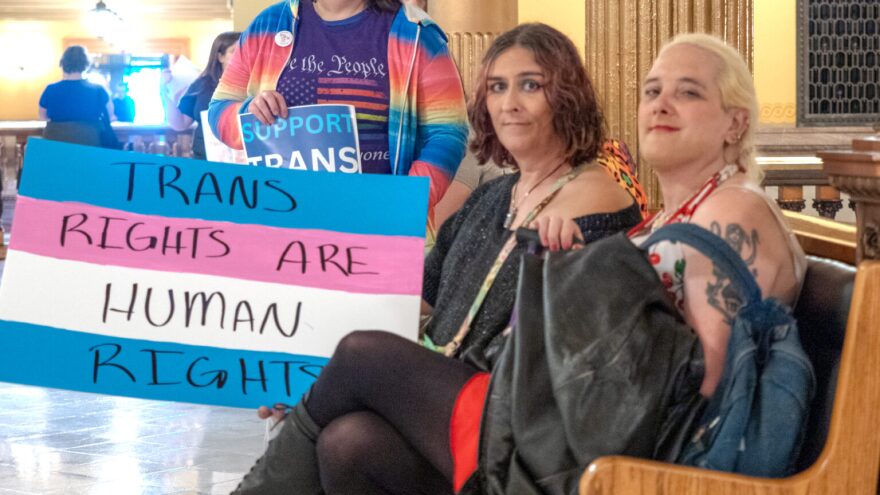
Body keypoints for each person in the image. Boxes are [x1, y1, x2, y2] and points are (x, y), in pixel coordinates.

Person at [231, 23, 646, 495]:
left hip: (529, 422)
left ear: (567, 95)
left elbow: (580, 353)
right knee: (346, 442)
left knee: (361, 352)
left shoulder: (593, 196)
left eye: (531, 85)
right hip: (455, 405)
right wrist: (305, 379)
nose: (509, 103)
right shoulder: (494, 198)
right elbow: (413, 298)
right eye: (497, 87)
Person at [628, 33, 805, 398]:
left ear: (736, 124)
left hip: (672, 447)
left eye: (688, 92)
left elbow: (708, 386)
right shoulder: (682, 211)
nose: (660, 105)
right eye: (652, 91)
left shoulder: (730, 212)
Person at [207, 0, 469, 221]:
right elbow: (219, 109)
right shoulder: (268, 25)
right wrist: (248, 114)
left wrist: (405, 204)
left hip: (378, 225)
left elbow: (447, 133)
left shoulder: (416, 33)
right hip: (283, 220)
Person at [163, 31, 241, 160]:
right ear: (220, 57)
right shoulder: (201, 85)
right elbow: (180, 124)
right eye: (235, 51)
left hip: (245, 164)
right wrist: (164, 91)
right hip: (206, 162)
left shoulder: (258, 85)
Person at [38, 45, 116, 148]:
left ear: (63, 63)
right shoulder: (98, 90)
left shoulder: (50, 89)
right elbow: (111, 116)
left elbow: (42, 117)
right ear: (86, 64)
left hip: (55, 147)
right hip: (90, 145)